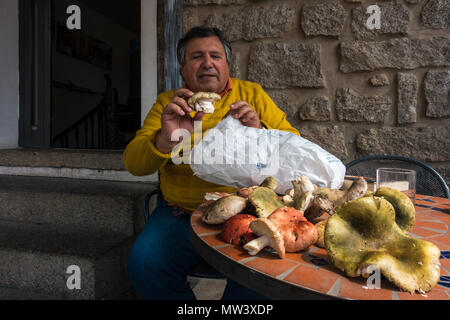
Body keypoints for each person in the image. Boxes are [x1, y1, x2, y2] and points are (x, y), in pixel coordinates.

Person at [123, 26, 300, 300]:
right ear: (183, 69)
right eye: (197, 57)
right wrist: (165, 139)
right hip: (180, 214)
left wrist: (260, 131)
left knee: (258, 279)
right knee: (144, 265)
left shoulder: (252, 94)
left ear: (227, 65)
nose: (207, 63)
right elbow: (134, 164)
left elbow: (295, 147)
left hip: (248, 215)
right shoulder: (168, 105)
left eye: (215, 56)